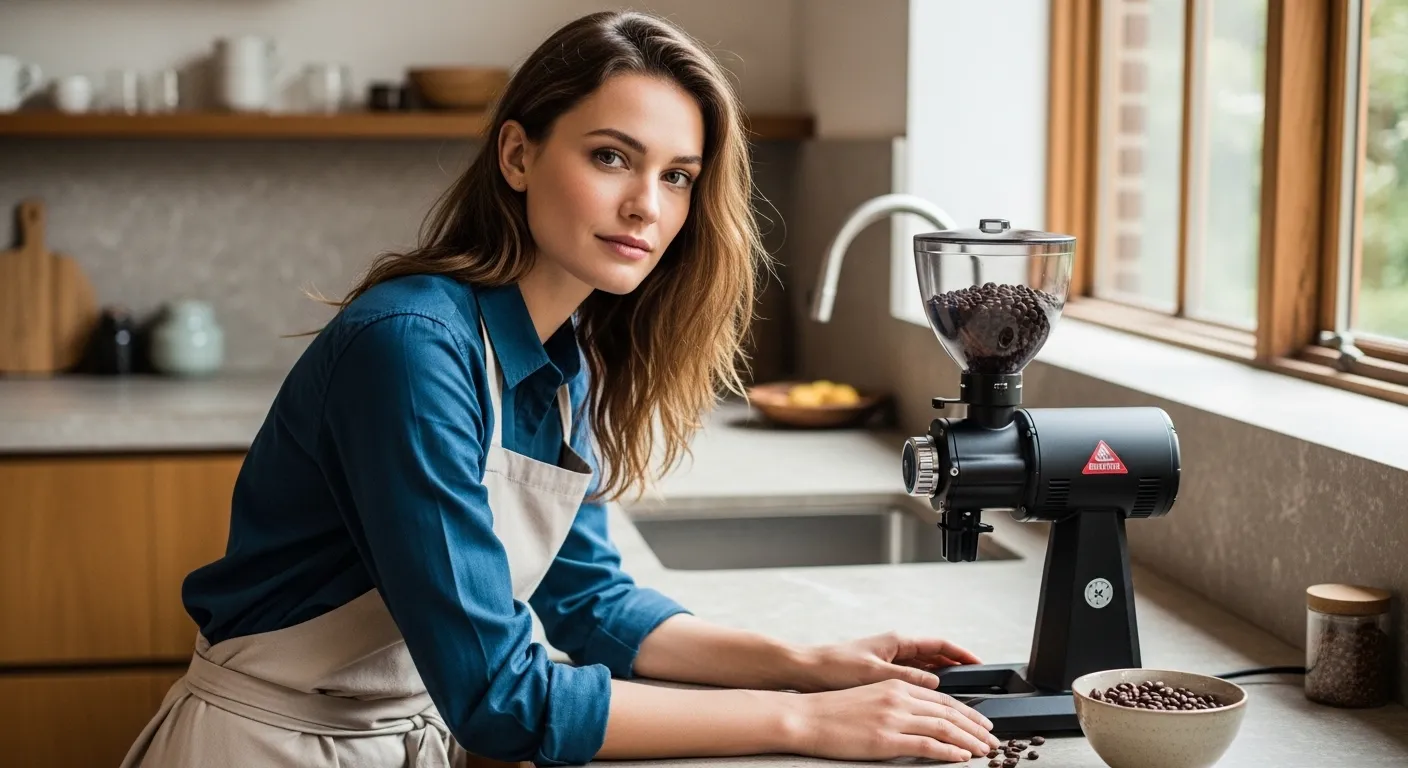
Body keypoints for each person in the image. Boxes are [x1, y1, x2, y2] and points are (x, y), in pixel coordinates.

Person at [121, 10, 1001, 767]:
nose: (646, 207)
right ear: (517, 154)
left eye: (677, 177)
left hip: (393, 739)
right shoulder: (409, 351)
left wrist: (809, 664)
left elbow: (588, 602)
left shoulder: (562, 356)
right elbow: (499, 697)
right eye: (613, 156)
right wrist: (806, 719)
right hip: (270, 745)